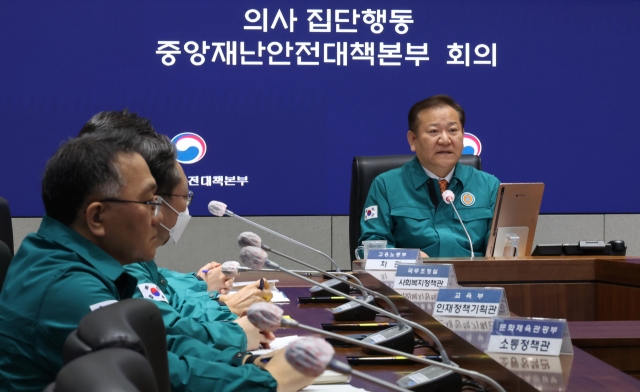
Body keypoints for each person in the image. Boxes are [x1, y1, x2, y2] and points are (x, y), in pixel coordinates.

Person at [0, 131, 314, 392]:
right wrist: (267, 381)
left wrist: (243, 361)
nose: (159, 216)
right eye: (149, 203)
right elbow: (152, 373)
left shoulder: (80, 260)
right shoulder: (66, 287)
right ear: (97, 217)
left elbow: (160, 343)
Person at [359, 95, 500, 257]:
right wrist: (409, 258)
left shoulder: (489, 186)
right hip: (411, 279)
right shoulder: (386, 186)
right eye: (434, 131)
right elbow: (369, 249)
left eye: (453, 130)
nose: (445, 140)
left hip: (474, 280)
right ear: (413, 139)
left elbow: (503, 251)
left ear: (463, 136)